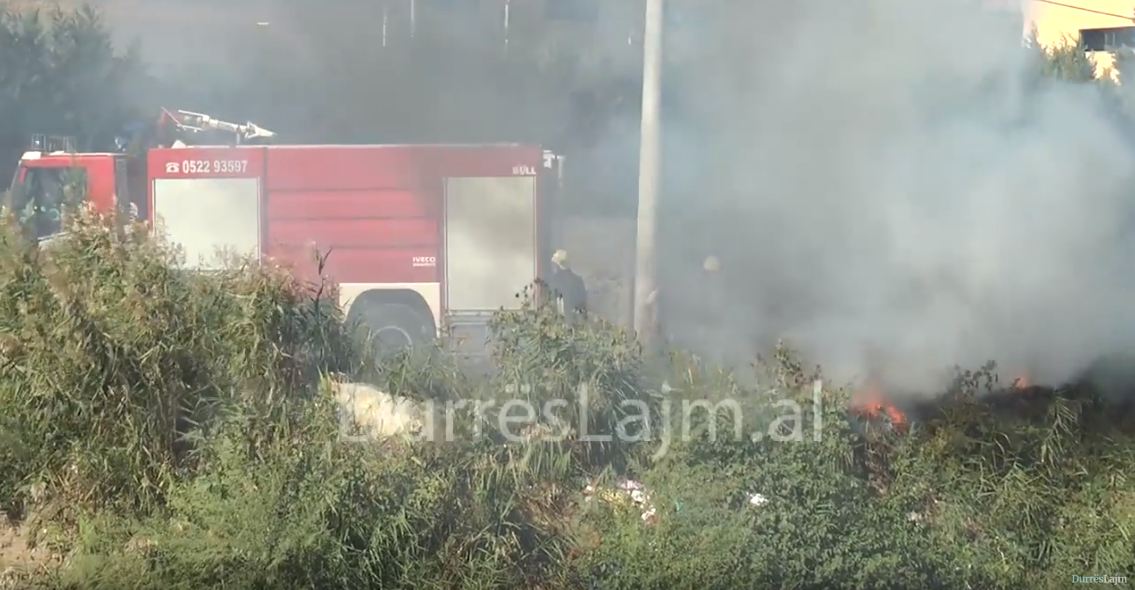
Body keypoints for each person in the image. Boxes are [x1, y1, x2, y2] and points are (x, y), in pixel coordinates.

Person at [545, 249, 587, 322]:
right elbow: (583, 304)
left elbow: (551, 304)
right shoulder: (578, 280)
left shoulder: (554, 281)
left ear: (557, 265)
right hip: (577, 324)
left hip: (560, 324)